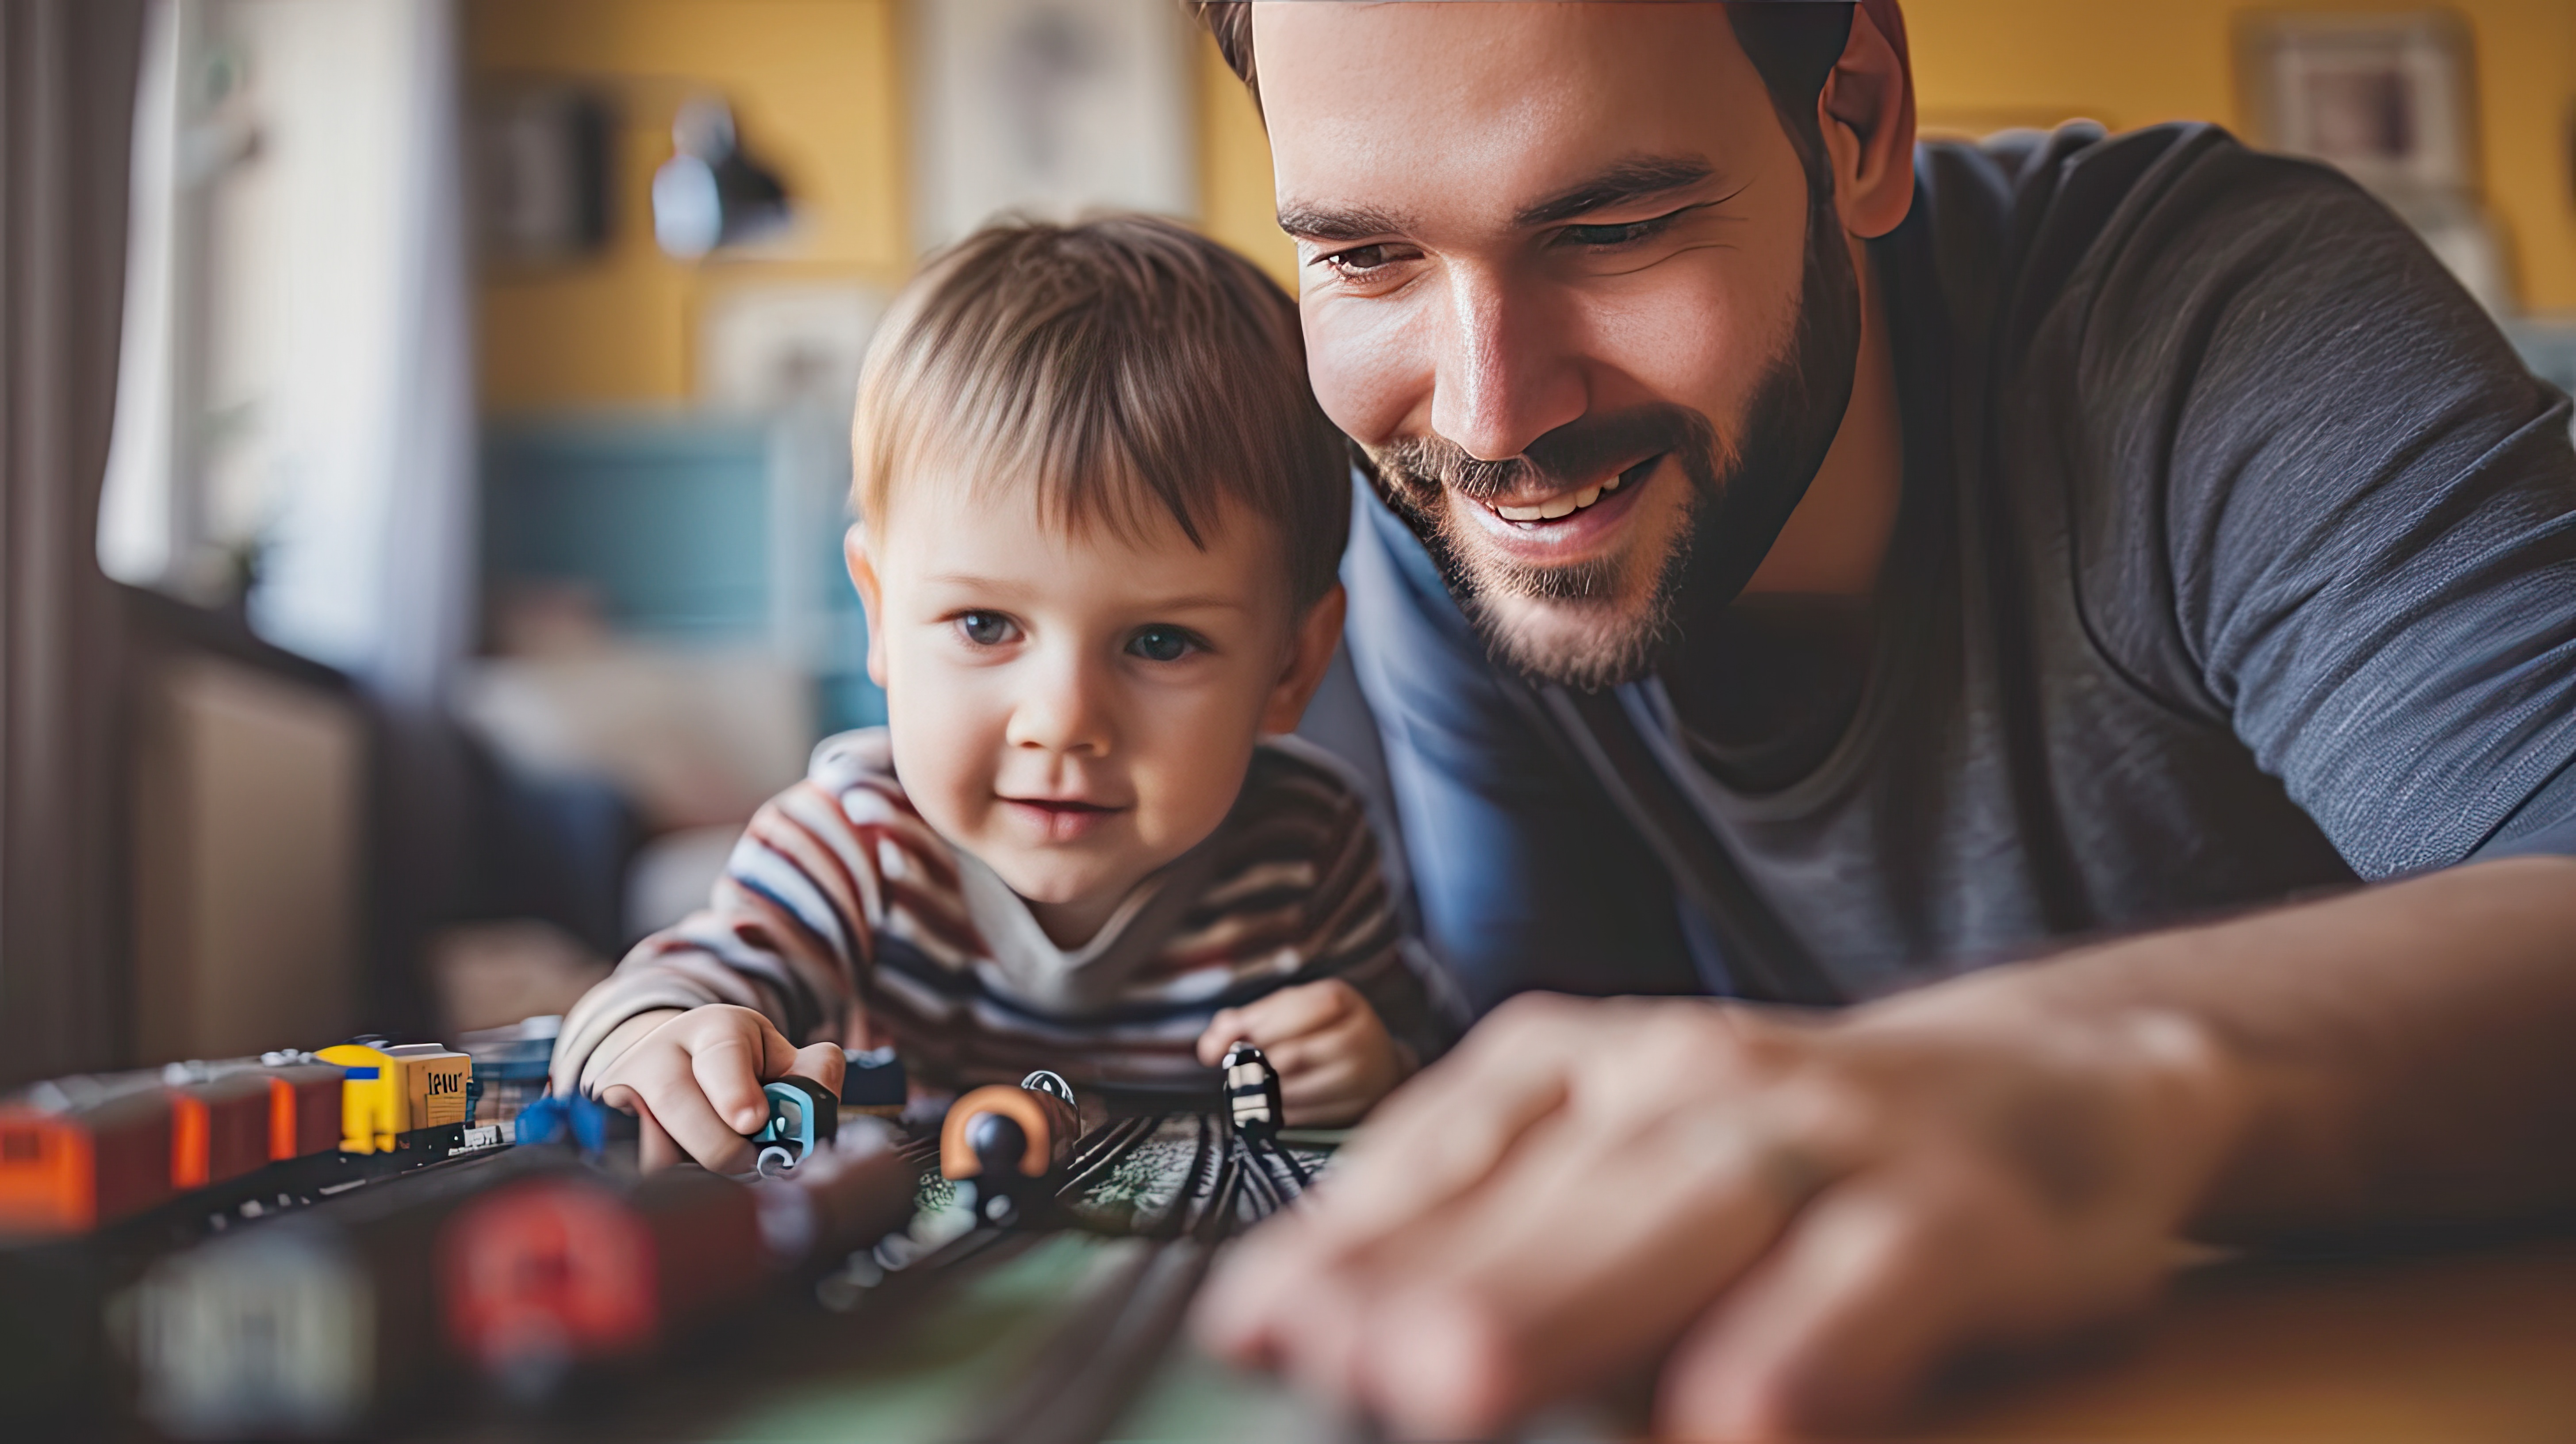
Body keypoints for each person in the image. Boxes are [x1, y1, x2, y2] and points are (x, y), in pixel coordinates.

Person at [1185, 2, 2576, 1438]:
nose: (1489, 420)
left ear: (1852, 119)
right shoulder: (1444, 512)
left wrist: (2091, 1082)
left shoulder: (2226, 321)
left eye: (1610, 231)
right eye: (1363, 257)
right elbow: (1557, 1085)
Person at [548, 216, 1457, 1171]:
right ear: (880, 614)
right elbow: (664, 994)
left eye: (1159, 642)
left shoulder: (1309, 851)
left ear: (1290, 665)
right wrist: (650, 1041)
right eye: (985, 626)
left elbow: (1448, 1077)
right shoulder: (855, 844)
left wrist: (1375, 1069)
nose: (1061, 720)